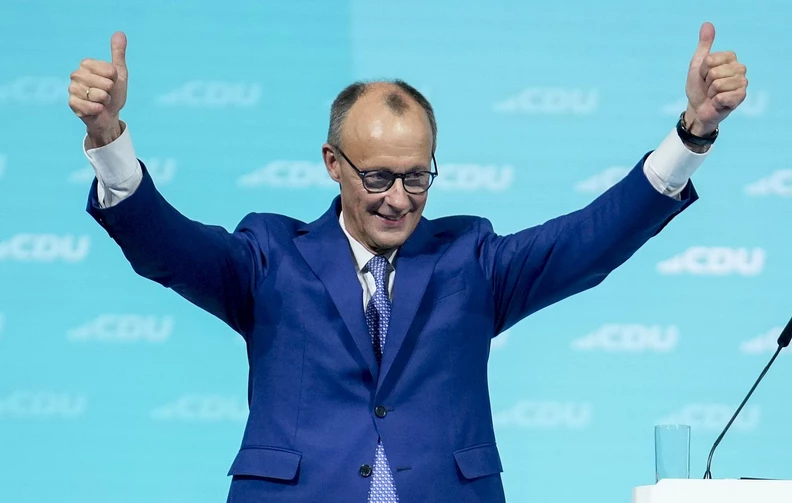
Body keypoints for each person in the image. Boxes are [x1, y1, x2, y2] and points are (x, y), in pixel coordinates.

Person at [68, 22, 747, 503]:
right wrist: (108, 139)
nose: (399, 199)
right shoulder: (270, 256)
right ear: (332, 163)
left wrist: (694, 132)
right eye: (378, 177)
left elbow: (590, 241)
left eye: (417, 177)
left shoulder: (471, 258)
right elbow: (167, 246)